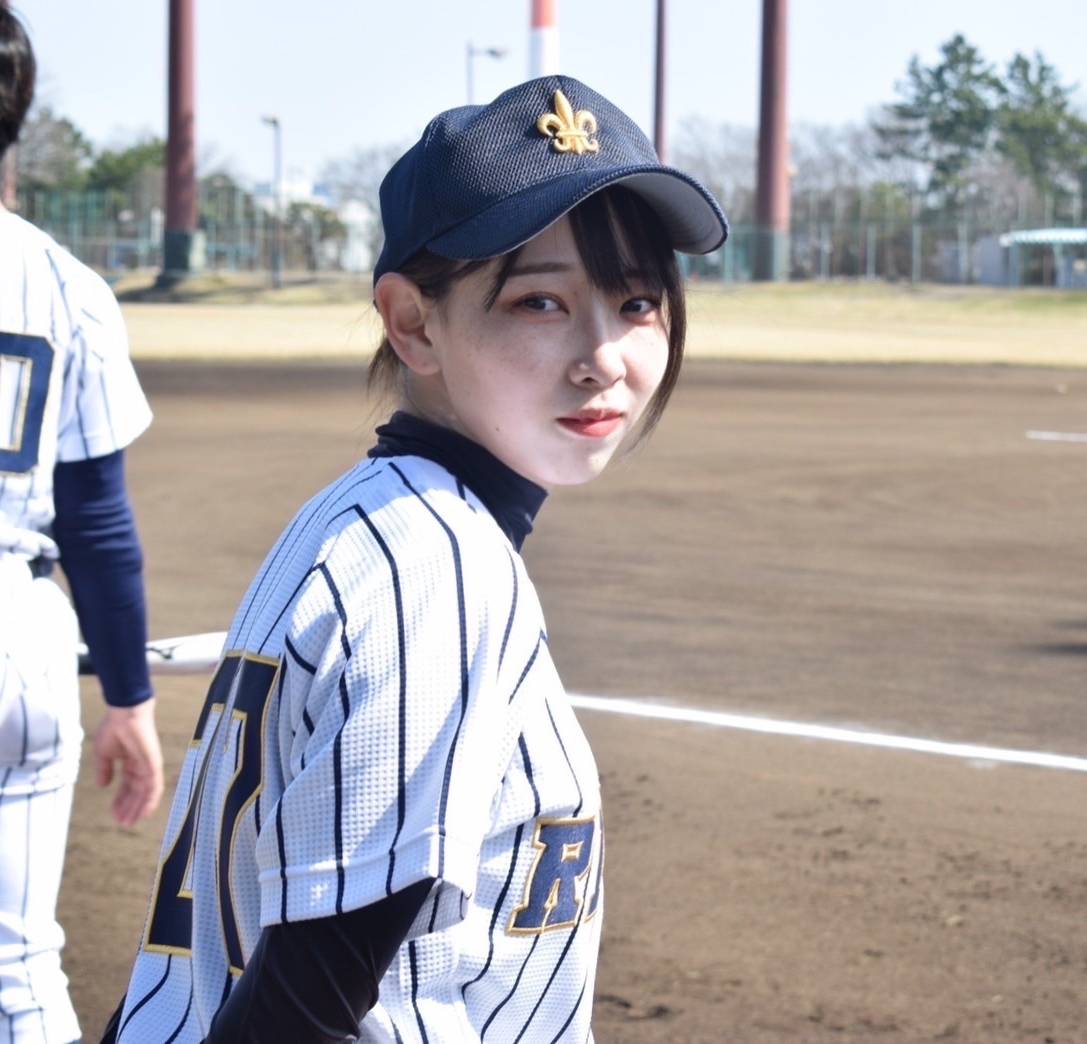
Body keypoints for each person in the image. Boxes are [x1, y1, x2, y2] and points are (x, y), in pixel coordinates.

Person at [105, 76, 726, 1043]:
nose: (602, 354)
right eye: (539, 303)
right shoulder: (438, 572)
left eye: (635, 300)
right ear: (413, 321)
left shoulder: (359, 520)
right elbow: (303, 1010)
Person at [0, 8, 165, 1044]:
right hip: (21, 635)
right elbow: (97, 519)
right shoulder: (64, 283)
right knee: (16, 964)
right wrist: (130, 699)